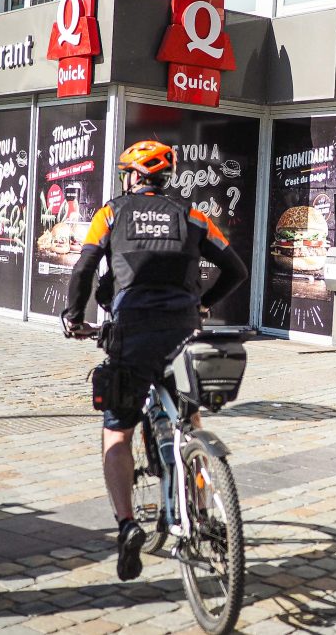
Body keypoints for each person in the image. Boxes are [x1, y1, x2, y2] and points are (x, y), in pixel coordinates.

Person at [62, 140, 248, 582]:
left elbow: (84, 269)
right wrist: (202, 305)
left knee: (117, 433)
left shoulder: (110, 214)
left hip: (133, 335)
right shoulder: (193, 215)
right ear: (164, 178)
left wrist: (74, 316)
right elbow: (235, 270)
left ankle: (128, 524)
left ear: (130, 177)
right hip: (184, 332)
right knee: (191, 422)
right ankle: (202, 508)